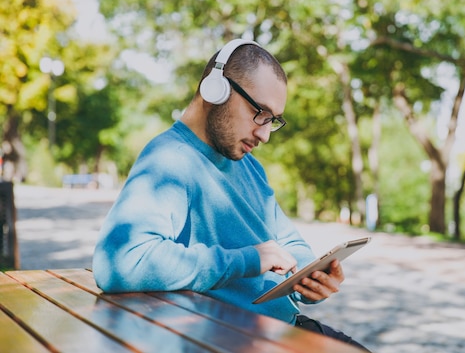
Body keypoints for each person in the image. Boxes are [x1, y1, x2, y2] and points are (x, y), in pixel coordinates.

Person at [92, 39, 369, 351]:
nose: (265, 134)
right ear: (216, 89)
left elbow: (287, 242)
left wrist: (308, 277)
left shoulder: (249, 167)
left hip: (281, 328)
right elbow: (120, 262)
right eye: (260, 113)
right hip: (233, 337)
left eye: (273, 120)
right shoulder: (169, 159)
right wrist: (247, 259)